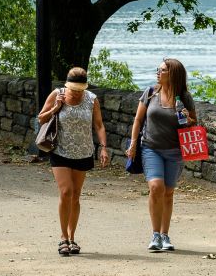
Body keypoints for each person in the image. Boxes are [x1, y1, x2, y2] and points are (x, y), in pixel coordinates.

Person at [126, 58, 197, 252]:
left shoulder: (183, 97)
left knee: (168, 192)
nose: (158, 72)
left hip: (175, 151)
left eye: (163, 70)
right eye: (158, 69)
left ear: (172, 74)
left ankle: (165, 235)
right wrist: (133, 144)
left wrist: (188, 118)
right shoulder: (150, 93)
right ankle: (155, 235)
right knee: (156, 187)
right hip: (151, 148)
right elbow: (138, 120)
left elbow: (193, 122)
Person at [38, 67, 109, 256]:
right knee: (66, 191)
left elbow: (99, 125)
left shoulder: (92, 99)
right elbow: (41, 118)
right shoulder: (57, 94)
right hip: (60, 150)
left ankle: (72, 237)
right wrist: (56, 108)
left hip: (83, 151)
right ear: (67, 85)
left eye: (80, 89)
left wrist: (103, 147)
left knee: (76, 195)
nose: (77, 93)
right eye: (74, 89)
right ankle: (63, 238)